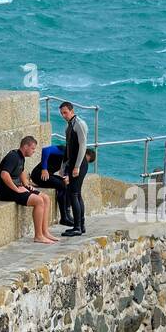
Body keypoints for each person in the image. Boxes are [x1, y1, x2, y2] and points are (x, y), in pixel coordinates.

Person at [0, 136, 57, 244]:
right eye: (33, 149)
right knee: (39, 201)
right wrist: (17, 189)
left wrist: (28, 186)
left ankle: (45, 232)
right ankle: (38, 236)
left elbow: (21, 171)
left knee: (46, 198)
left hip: (17, 187)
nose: (34, 151)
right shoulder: (13, 156)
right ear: (25, 146)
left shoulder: (21, 157)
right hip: (6, 191)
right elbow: (4, 174)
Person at [60, 101, 91, 238]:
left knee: (74, 194)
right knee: (76, 194)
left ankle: (77, 227)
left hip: (80, 164)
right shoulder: (70, 125)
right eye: (61, 113)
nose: (63, 115)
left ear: (72, 111)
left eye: (65, 112)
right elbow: (68, 147)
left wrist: (77, 166)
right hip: (72, 164)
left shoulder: (79, 124)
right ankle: (81, 225)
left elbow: (83, 146)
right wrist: (63, 166)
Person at [30, 142, 72, 227]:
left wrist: (67, 176)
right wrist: (44, 169)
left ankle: (67, 214)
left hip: (49, 175)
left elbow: (67, 168)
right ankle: (64, 218)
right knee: (61, 185)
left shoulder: (71, 157)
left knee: (66, 184)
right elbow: (45, 150)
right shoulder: (63, 150)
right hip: (38, 174)